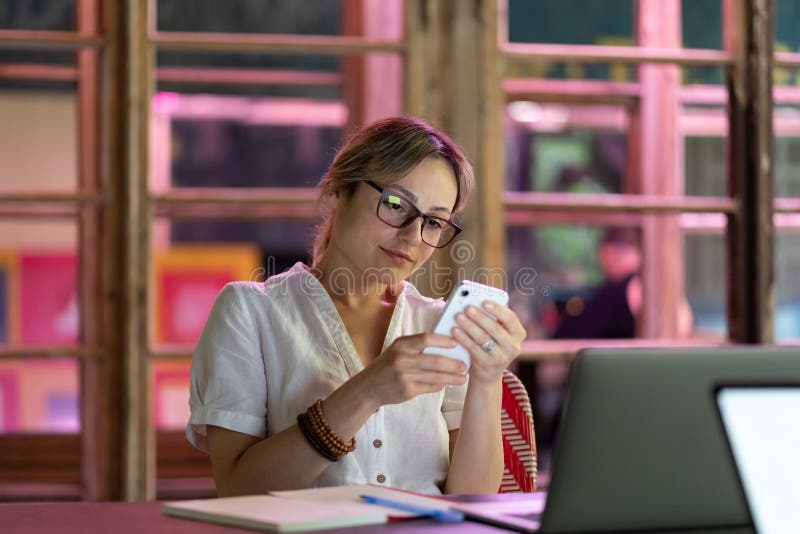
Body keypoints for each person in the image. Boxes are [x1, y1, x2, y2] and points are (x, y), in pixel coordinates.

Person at [187, 116, 527, 497]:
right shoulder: (250, 313)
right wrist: (366, 391)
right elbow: (238, 491)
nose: (413, 236)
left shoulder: (439, 325)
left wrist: (487, 378)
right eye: (395, 204)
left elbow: (472, 499)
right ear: (336, 190)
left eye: (433, 222)